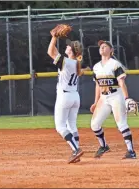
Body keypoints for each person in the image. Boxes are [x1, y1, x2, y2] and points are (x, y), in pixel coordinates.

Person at [90, 40, 137, 159]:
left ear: (111, 50)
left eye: (105, 46)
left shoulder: (115, 64)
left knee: (121, 123)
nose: (102, 48)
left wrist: (126, 98)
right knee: (95, 124)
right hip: (103, 97)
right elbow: (97, 85)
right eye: (101, 46)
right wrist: (96, 102)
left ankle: (131, 151)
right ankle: (104, 146)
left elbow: (121, 82)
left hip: (116, 95)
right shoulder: (96, 67)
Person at [47, 30, 85, 164]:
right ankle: (76, 151)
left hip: (65, 97)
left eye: (69, 46)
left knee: (60, 127)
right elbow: (55, 51)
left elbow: (51, 52)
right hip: (75, 96)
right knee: (72, 125)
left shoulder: (67, 62)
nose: (67, 46)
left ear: (72, 51)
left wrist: (54, 37)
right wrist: (54, 39)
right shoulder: (76, 63)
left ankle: (76, 150)